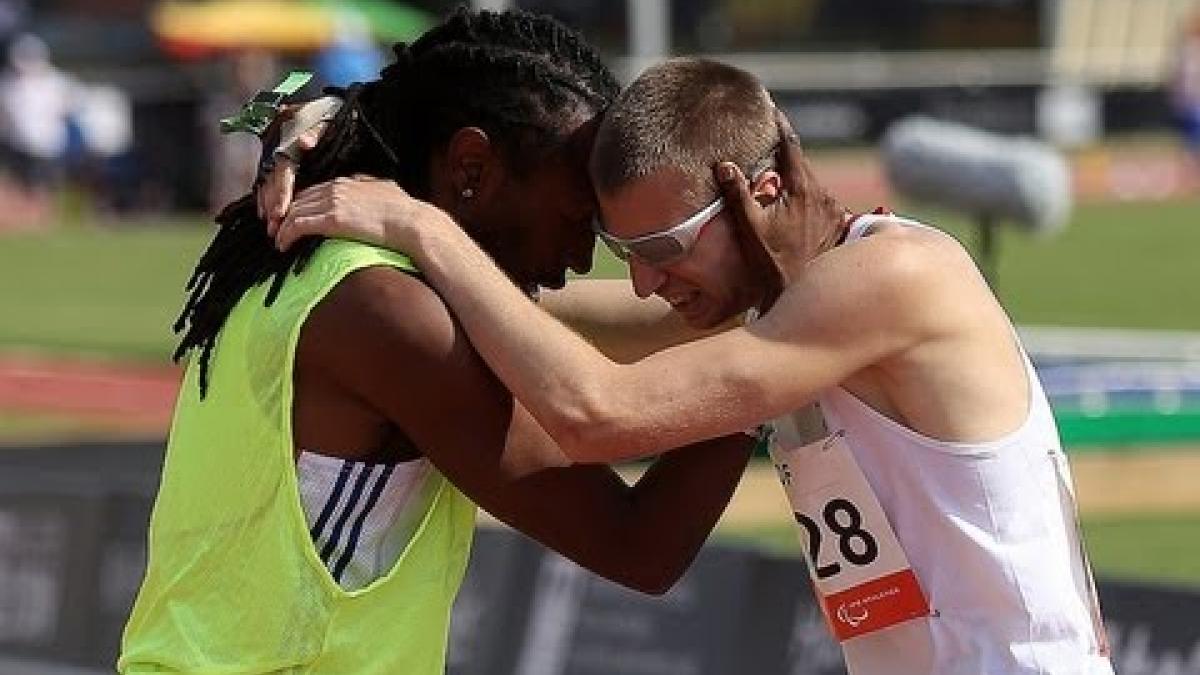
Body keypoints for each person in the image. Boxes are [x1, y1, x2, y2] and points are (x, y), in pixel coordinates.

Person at [271, 57, 1115, 674]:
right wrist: (351, 137)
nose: (643, 281)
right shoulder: (780, 309)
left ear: (763, 193)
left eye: (665, 248)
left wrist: (424, 231)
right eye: (621, 250)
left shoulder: (890, 281)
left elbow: (598, 411)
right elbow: (528, 318)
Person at [118, 14, 754, 674]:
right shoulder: (393, 317)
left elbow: (591, 318)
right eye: (572, 215)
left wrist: (756, 303)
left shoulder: (339, 266)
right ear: (471, 167)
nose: (582, 252)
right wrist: (772, 366)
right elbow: (637, 542)